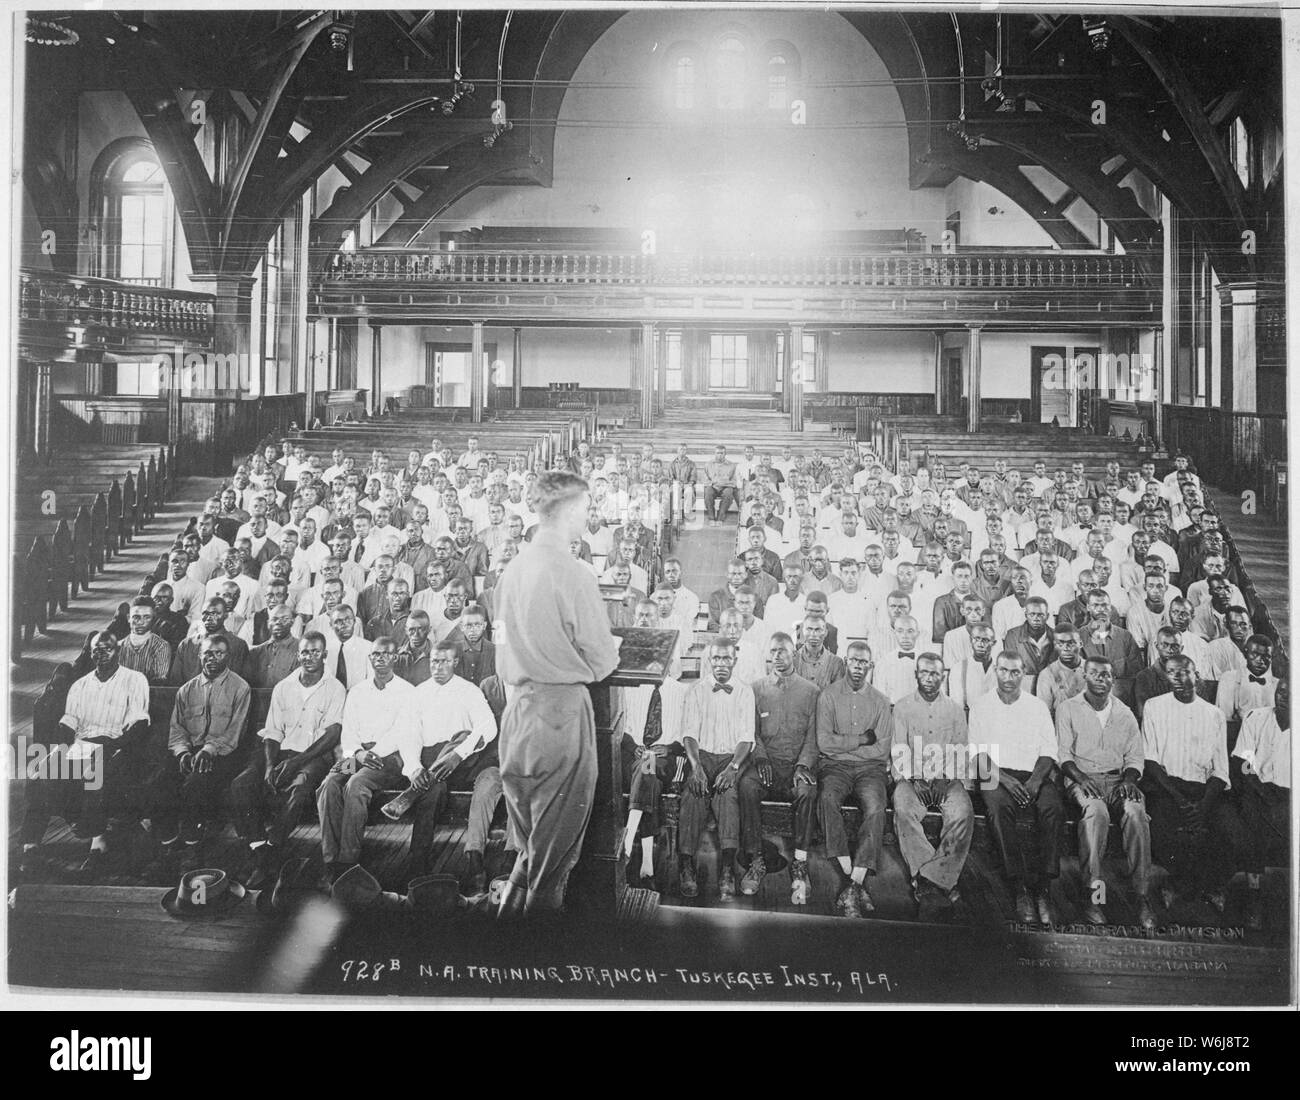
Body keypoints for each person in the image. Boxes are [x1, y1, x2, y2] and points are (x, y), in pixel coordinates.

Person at [491, 470, 622, 918]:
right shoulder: (575, 573)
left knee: (528, 853)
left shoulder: (510, 571)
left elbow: (501, 645)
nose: (589, 517)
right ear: (567, 512)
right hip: (561, 719)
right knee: (553, 866)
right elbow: (604, 661)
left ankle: (495, 947)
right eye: (585, 509)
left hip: (517, 719)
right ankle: (535, 966)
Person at [230, 631, 346, 888]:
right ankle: (260, 848)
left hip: (314, 754)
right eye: (305, 651)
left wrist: (295, 763)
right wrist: (270, 765)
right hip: (280, 751)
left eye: (316, 651)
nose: (309, 657)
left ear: (325, 655)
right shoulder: (284, 686)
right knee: (242, 785)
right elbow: (272, 731)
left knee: (300, 788)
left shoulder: (335, 689)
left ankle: (273, 846)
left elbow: (332, 734)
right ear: (298, 654)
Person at [33, 634, 151, 876]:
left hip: (114, 743)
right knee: (41, 774)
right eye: (97, 649)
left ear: (117, 651)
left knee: (93, 776)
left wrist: (118, 746)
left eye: (108, 649)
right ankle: (30, 845)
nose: (102, 654)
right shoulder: (81, 684)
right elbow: (69, 721)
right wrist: (59, 749)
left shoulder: (134, 679)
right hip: (82, 743)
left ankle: (97, 844)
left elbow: (139, 719)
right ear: (91, 653)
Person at [1056, 656, 1155, 928]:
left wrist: (1130, 780)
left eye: (1107, 675)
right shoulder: (1068, 708)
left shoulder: (1124, 713)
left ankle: (1141, 895)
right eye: (1095, 674)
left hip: (1117, 781)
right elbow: (1063, 755)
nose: (1102, 679)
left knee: (1136, 813)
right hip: (1081, 778)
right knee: (1096, 813)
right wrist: (1080, 778)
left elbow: (1135, 758)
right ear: (1084, 676)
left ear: (1114, 679)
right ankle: (1093, 897)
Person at [1141, 656, 1241, 913]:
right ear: (1166, 676)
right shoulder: (1154, 706)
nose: (1179, 678)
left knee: (1232, 830)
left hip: (1205, 790)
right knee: (1165, 827)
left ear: (1196, 675)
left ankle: (1212, 885)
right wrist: (1180, 800)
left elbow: (1220, 770)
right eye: (1172, 673)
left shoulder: (1213, 713)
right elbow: (1150, 761)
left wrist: (1203, 805)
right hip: (1167, 787)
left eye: (1184, 672)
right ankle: (1178, 883)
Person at [316, 636, 422, 880]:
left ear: (395, 658)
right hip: (359, 754)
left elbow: (404, 732)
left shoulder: (408, 692)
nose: (380, 658)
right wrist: (358, 753)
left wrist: (374, 753)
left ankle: (348, 861)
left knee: (356, 785)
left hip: (389, 757)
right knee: (329, 784)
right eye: (376, 654)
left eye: (386, 654)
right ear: (370, 658)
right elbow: (349, 732)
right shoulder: (357, 691)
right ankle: (331, 859)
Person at [971, 651, 1063, 924]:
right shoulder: (981, 705)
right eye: (1003, 671)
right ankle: (1019, 886)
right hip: (994, 773)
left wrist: (1035, 781)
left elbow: (1048, 750)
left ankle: (1044, 886)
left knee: (1053, 809)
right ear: (995, 671)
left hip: (1033, 773)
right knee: (999, 811)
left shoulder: (1037, 706)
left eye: (1015, 672)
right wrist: (1007, 781)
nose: (1009, 678)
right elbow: (978, 755)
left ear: (1024, 674)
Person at [806, 640, 894, 917]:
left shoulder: (880, 701)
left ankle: (851, 883)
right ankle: (852, 879)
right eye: (853, 661)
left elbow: (882, 748)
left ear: (871, 665)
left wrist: (847, 744)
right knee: (827, 799)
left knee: (876, 806)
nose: (858, 667)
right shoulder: (828, 696)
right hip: (835, 767)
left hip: (871, 769)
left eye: (863, 662)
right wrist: (861, 740)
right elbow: (824, 743)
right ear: (846, 662)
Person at [406, 642, 501, 892]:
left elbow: (488, 728)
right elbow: (409, 735)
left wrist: (457, 755)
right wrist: (414, 767)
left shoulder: (468, 691)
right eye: (434, 661)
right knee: (432, 790)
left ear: (455, 662)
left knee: (462, 735)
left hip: (462, 759)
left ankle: (472, 859)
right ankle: (418, 865)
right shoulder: (418, 693)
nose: (438, 667)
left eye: (444, 661)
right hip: (431, 763)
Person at [890, 653, 973, 920]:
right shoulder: (902, 707)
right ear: (916, 675)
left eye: (935, 673)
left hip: (945, 779)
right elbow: (898, 749)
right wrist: (915, 778)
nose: (929, 678)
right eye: (924, 672)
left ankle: (927, 882)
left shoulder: (954, 709)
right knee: (903, 811)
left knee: (963, 813)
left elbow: (960, 750)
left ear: (943, 676)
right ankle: (941, 880)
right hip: (911, 778)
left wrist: (943, 778)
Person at [154, 635, 252, 852]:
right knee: (161, 783)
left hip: (223, 753)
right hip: (190, 752)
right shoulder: (187, 690)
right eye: (208, 653)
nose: (212, 658)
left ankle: (192, 843)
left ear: (228, 656)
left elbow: (235, 731)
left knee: (195, 785)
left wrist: (209, 750)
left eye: (219, 653)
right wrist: (182, 753)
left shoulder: (240, 688)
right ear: (200, 655)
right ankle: (168, 843)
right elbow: (177, 728)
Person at [742, 634, 819, 903]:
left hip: (797, 765)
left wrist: (803, 765)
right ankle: (757, 859)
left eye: (783, 651)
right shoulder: (756, 689)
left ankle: (800, 864)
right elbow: (751, 730)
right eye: (773, 651)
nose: (778, 656)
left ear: (794, 654)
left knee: (808, 791)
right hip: (766, 765)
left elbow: (813, 736)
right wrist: (760, 757)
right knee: (747, 786)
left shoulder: (811, 691)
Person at [677, 640, 755, 899]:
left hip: (730, 758)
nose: (722, 664)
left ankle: (727, 869)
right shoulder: (697, 690)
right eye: (717, 659)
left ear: (735, 660)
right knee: (693, 793)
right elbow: (689, 734)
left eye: (727, 659)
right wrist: (696, 766)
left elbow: (746, 737)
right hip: (703, 756)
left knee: (728, 795)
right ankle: (686, 866)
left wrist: (733, 767)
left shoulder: (744, 692)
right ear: (709, 661)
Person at [1233, 679, 1290, 930]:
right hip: (1257, 787)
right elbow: (1243, 762)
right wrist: (1261, 789)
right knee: (1252, 819)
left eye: (1291, 693)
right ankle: (1254, 894)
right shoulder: (1256, 717)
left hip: (1290, 793)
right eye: (1281, 691)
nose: (1284, 697)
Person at [115, 598, 173, 683]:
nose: (141, 622)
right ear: (128, 618)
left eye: (146, 617)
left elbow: (158, 683)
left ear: (153, 619)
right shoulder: (117, 646)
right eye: (136, 617)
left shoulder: (161, 646)